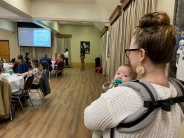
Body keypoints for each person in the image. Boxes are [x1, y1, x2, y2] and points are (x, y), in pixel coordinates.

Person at [84, 12, 183, 138]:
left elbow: (88, 119)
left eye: (130, 51)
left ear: (141, 54)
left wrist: (110, 93)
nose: (129, 55)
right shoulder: (177, 95)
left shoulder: (121, 97)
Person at [93, 64, 137, 138]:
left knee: (105, 129)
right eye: (118, 73)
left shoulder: (128, 90)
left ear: (132, 81)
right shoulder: (113, 84)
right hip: (107, 110)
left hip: (116, 114)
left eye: (125, 76)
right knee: (97, 128)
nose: (119, 76)